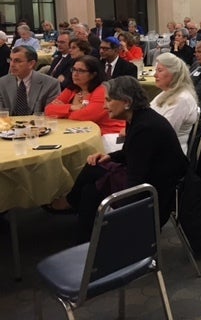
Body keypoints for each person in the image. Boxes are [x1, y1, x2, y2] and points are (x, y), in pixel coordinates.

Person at [44, 76, 188, 243]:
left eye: (109, 100)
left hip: (159, 191)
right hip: (153, 177)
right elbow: (131, 153)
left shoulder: (145, 127)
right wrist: (109, 156)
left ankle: (90, 243)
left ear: (126, 102)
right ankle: (81, 224)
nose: (104, 106)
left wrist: (123, 213)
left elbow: (137, 176)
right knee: (94, 166)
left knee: (91, 191)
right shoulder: (138, 117)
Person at [44, 55, 125, 134]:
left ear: (93, 74)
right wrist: (72, 107)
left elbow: (86, 117)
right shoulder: (72, 88)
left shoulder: (102, 90)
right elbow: (48, 110)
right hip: (79, 131)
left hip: (108, 134)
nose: (75, 74)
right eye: (74, 69)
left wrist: (62, 110)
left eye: (81, 71)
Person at [152, 53, 199, 154]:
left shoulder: (182, 100)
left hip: (168, 155)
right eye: (156, 70)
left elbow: (164, 135)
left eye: (159, 70)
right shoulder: (167, 92)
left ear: (174, 74)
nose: (155, 75)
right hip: (155, 147)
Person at [0, 46, 60, 115]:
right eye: (10, 60)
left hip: (39, 125)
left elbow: (51, 114)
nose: (12, 65)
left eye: (17, 61)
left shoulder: (50, 84)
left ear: (31, 64)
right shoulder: (2, 83)